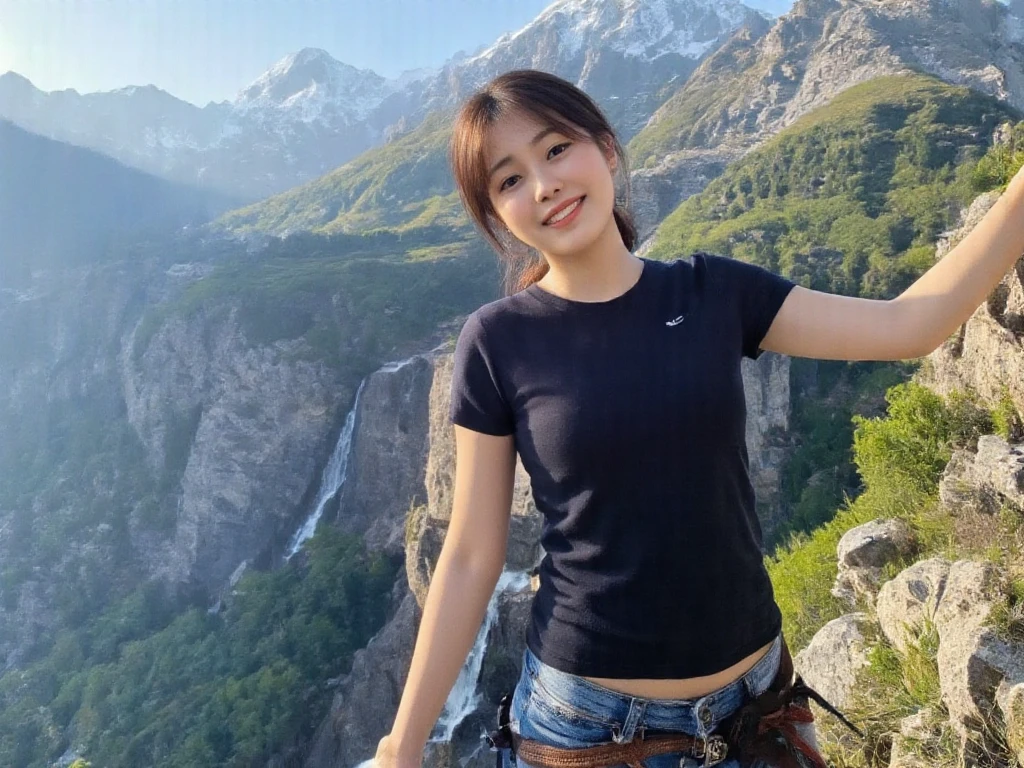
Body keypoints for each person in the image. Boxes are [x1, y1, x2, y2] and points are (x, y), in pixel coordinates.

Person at [373, 68, 1024, 768]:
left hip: (759, 711)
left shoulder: (714, 292)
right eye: (508, 180)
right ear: (497, 216)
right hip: (588, 732)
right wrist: (402, 747)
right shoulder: (497, 341)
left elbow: (908, 327)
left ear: (606, 147)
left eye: (556, 149)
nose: (543, 185)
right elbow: (472, 553)